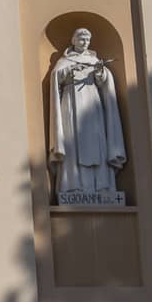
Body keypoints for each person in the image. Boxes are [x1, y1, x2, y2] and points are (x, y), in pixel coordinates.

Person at [49, 28, 127, 199]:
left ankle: (102, 187)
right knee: (72, 143)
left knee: (97, 142)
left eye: (87, 40)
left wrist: (100, 72)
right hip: (71, 102)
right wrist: (70, 70)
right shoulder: (65, 60)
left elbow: (104, 80)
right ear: (74, 40)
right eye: (81, 39)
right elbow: (56, 78)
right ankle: (73, 186)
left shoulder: (93, 59)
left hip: (93, 105)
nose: (84, 42)